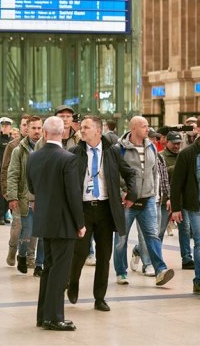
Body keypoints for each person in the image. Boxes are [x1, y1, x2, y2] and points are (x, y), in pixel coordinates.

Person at [66, 116, 137, 312]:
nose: (83, 130)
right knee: (79, 253)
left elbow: (130, 173)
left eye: (86, 127)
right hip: (84, 209)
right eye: (82, 127)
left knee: (104, 256)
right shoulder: (75, 152)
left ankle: (100, 297)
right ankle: (73, 282)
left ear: (98, 131)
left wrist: (131, 194)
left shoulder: (112, 152)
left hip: (106, 209)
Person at [26, 116, 85, 331]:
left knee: (49, 270)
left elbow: (32, 187)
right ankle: (55, 317)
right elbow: (73, 194)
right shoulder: (67, 158)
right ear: (63, 131)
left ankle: (43, 315)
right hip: (64, 223)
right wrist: (80, 223)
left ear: (44, 132)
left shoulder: (34, 157)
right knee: (60, 271)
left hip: (44, 221)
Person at [113, 116, 175, 286]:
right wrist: (122, 193)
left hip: (148, 200)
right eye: (143, 126)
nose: (147, 129)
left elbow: (155, 172)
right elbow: (114, 174)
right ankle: (121, 272)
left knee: (152, 236)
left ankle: (160, 270)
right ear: (133, 128)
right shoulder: (120, 148)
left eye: (148, 126)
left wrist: (155, 194)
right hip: (127, 202)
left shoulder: (151, 147)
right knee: (121, 239)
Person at [171, 115, 200, 299]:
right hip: (196, 205)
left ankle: (198, 282)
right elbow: (177, 183)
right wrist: (175, 208)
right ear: (198, 129)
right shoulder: (187, 154)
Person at [7, 116, 44, 276]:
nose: (37, 131)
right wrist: (12, 197)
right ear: (26, 130)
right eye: (33, 128)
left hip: (44, 200)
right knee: (27, 232)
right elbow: (13, 174)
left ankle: (39, 265)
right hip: (25, 198)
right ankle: (21, 255)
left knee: (42, 234)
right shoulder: (18, 150)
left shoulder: (47, 148)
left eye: (39, 128)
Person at [1, 115, 35, 267]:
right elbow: (6, 169)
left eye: (31, 125)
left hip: (33, 195)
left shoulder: (39, 145)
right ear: (20, 127)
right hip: (18, 193)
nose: (27, 128)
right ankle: (13, 249)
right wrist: (7, 191)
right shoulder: (14, 146)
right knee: (17, 226)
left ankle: (29, 257)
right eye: (24, 125)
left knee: (33, 228)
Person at [160, 131, 193, 269]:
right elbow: (161, 175)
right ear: (167, 142)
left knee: (184, 229)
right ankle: (141, 250)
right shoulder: (160, 156)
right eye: (174, 143)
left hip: (181, 200)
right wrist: (178, 168)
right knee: (159, 231)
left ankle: (186, 258)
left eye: (179, 143)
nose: (177, 146)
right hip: (165, 200)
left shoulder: (183, 155)